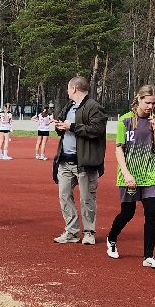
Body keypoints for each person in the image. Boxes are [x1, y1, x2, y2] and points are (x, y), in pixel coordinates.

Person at [106, 84, 155, 269]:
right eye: (148, 102)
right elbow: (118, 149)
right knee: (128, 212)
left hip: (149, 174)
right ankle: (111, 238)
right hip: (130, 174)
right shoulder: (125, 121)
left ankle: (149, 256)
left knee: (151, 212)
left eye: (154, 104)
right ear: (139, 99)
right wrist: (126, 173)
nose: (150, 107)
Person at [51, 76, 109, 246]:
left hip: (85, 162)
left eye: (68, 88)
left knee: (87, 198)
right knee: (64, 196)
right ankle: (71, 231)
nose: (67, 92)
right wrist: (59, 126)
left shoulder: (94, 107)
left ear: (74, 88)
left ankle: (89, 232)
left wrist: (73, 126)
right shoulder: (69, 106)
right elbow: (62, 123)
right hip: (65, 161)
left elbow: (97, 130)